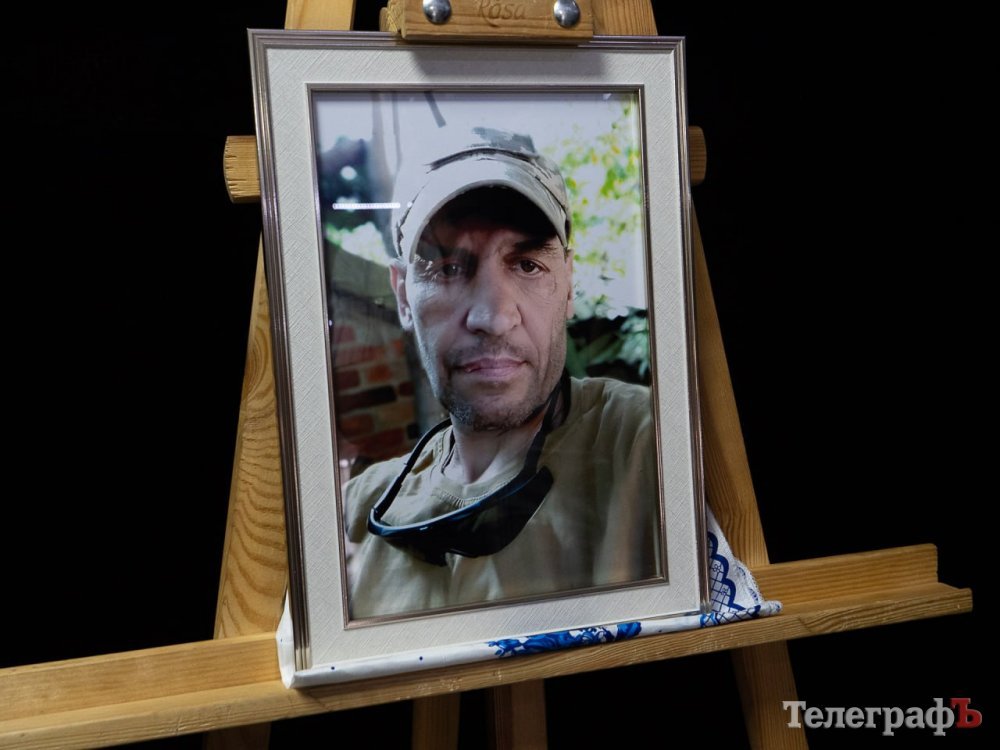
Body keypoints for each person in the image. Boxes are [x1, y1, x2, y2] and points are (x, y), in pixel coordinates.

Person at [343, 128, 660, 620]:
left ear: (568, 285)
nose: (492, 317)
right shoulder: (354, 513)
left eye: (528, 265)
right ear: (403, 296)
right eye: (448, 269)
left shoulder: (650, 447)